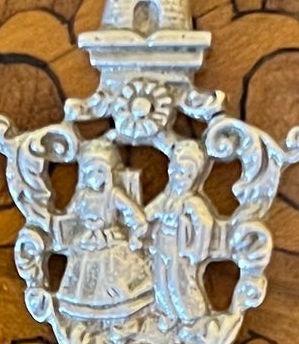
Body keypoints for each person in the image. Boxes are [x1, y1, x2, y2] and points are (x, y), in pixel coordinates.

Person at [54, 138, 152, 321]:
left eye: (100, 171)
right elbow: (71, 215)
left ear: (108, 173)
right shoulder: (82, 195)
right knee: (84, 269)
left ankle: (119, 305)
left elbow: (134, 214)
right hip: (87, 239)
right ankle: (83, 306)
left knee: (112, 265)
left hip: (110, 238)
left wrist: (136, 234)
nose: (95, 176)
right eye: (91, 171)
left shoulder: (114, 194)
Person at [148, 139, 217, 328]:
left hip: (178, 248)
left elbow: (205, 222)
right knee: (160, 280)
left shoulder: (191, 202)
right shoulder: (167, 197)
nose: (181, 179)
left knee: (178, 281)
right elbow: (150, 211)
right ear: (170, 171)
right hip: (162, 243)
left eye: (187, 175)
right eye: (177, 172)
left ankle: (189, 315)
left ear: (194, 178)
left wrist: (197, 249)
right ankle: (167, 313)